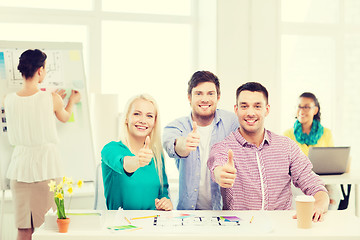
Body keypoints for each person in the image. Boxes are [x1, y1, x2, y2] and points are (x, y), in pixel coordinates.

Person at [208, 82, 329, 222]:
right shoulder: (223, 147)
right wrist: (220, 174)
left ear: (267, 109)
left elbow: (315, 185)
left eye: (257, 106)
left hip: (281, 229)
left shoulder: (287, 147)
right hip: (240, 230)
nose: (250, 113)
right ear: (236, 110)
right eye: (244, 106)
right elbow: (217, 166)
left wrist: (319, 204)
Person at [4, 49, 81, 240]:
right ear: (40, 70)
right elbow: (64, 117)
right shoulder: (51, 98)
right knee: (49, 230)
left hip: (19, 171)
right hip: (47, 169)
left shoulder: (8, 100)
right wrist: (71, 101)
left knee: (23, 229)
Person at [163, 71, 239, 210]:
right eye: (198, 93)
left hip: (224, 214)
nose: (205, 99)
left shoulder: (233, 122)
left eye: (210, 93)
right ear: (189, 97)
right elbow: (171, 145)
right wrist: (184, 144)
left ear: (218, 97)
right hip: (187, 214)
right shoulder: (176, 126)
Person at [101, 94, 172, 211]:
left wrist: (166, 203)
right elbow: (123, 164)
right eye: (136, 114)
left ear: (154, 122)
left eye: (149, 116)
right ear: (126, 118)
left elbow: (163, 193)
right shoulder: (110, 149)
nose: (143, 120)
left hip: (153, 225)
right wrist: (137, 161)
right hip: (121, 226)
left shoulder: (157, 155)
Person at [283, 92, 343, 210]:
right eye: (299, 106)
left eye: (306, 107)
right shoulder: (287, 135)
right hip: (299, 181)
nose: (301, 110)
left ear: (315, 110)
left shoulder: (326, 133)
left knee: (333, 194)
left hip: (324, 179)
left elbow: (331, 160)